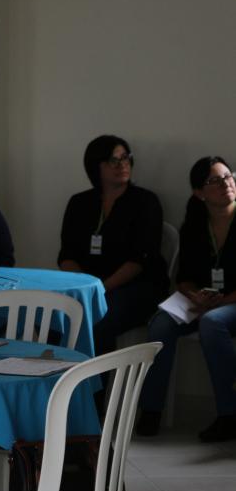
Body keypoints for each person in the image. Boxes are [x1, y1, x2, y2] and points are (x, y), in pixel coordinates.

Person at [137, 157, 236, 441]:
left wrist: (224, 300)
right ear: (199, 192)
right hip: (205, 302)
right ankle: (151, 410)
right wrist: (194, 294)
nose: (226, 183)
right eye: (214, 180)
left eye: (228, 176)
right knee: (160, 324)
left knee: (213, 323)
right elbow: (184, 276)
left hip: (230, 304)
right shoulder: (194, 226)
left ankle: (229, 414)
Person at [58, 135, 168, 356]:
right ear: (95, 165)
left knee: (98, 318)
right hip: (89, 288)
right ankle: (57, 382)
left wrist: (101, 289)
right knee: (53, 317)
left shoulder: (145, 201)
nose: (122, 165)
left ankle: (96, 390)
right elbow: (67, 255)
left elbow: (140, 259)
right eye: (113, 160)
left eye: (125, 158)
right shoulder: (79, 203)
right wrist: (86, 287)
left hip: (136, 288)